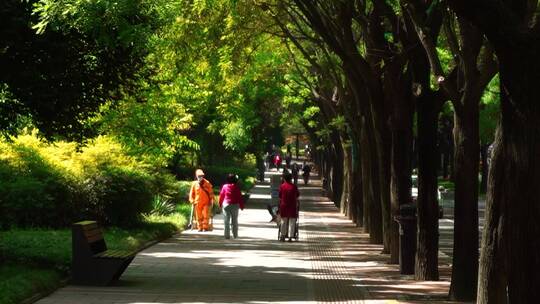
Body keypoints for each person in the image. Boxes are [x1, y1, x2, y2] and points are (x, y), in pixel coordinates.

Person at [219, 174, 245, 239]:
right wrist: (241, 206)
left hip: (226, 205)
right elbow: (239, 197)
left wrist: (220, 204)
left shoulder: (225, 186)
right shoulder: (237, 187)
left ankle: (227, 235)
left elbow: (222, 196)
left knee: (226, 221)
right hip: (235, 205)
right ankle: (235, 235)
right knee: (234, 221)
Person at [279, 171, 299, 242]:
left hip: (284, 206)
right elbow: (297, 196)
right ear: (291, 179)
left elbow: (280, 196)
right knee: (292, 221)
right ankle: (290, 237)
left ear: (284, 179)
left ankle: (283, 236)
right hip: (292, 206)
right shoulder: (294, 187)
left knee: (283, 221)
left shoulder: (282, 186)